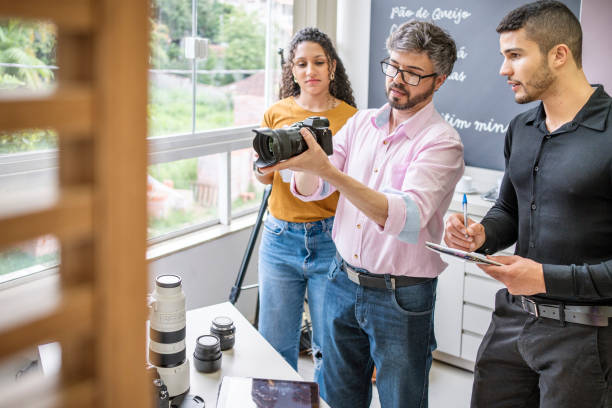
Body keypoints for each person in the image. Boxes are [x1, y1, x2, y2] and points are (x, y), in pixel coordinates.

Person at [262, 21, 463, 408]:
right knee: (339, 397)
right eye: (393, 66)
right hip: (342, 279)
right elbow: (313, 189)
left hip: (400, 296)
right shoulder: (361, 124)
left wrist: (328, 171)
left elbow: (406, 217)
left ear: (439, 80)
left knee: (400, 399)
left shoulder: (442, 142)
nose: (398, 80)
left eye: (413, 73)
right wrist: (304, 160)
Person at [443, 2, 612, 407]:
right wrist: (481, 234)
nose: (503, 70)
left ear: (559, 54)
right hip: (510, 324)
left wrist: (545, 279)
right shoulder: (521, 128)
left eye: (515, 56)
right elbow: (508, 211)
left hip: (586, 339)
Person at [253, 27, 357, 375]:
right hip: (280, 239)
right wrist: (274, 164)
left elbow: (354, 183)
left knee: (329, 348)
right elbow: (263, 177)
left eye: (318, 62)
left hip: (331, 239)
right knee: (274, 344)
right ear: (292, 70)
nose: (309, 71)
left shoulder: (351, 118)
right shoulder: (276, 113)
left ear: (332, 67)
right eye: (301, 64)